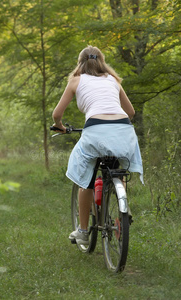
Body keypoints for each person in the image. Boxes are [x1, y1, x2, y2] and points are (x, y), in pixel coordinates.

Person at [52, 45, 143, 245]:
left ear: (80, 63)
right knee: (117, 171)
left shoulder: (76, 80)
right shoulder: (113, 80)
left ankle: (83, 231)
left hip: (95, 130)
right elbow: (131, 112)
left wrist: (59, 126)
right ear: (102, 61)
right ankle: (123, 209)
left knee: (84, 178)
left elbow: (57, 114)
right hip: (123, 130)